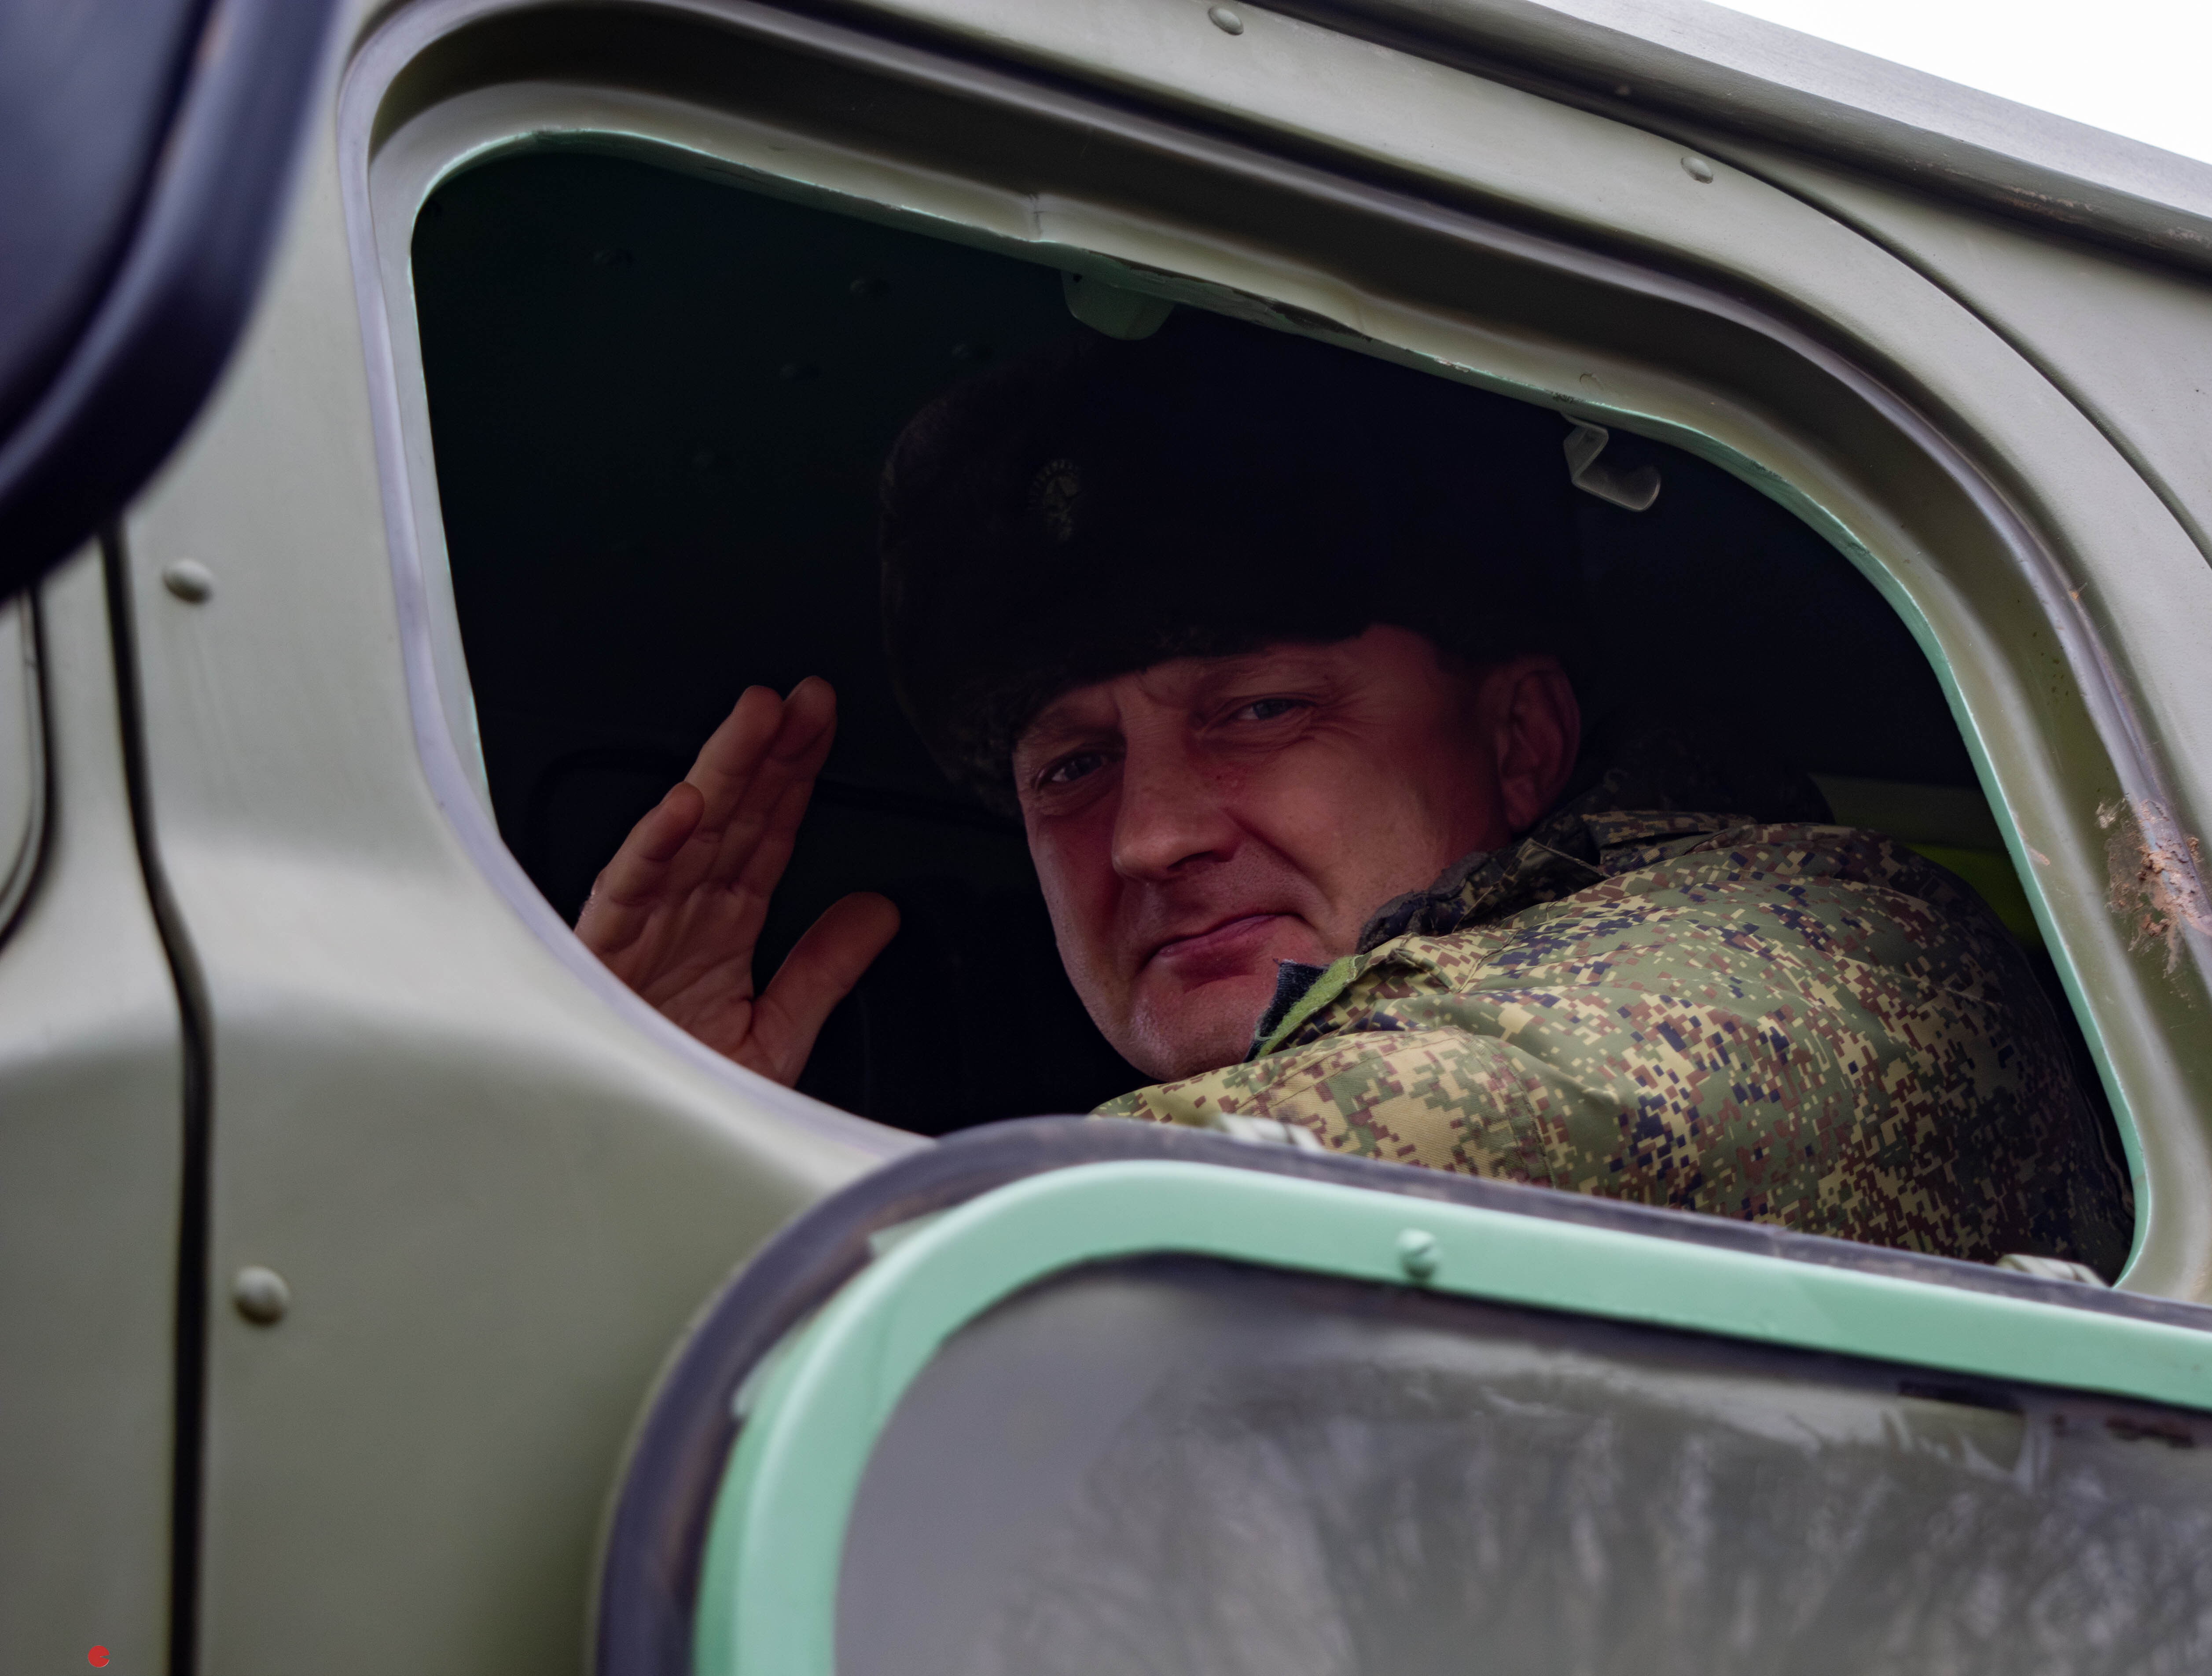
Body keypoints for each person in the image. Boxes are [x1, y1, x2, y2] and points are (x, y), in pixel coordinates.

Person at [576, 317, 2131, 1272]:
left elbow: (1356, 1157)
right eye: (1072, 765)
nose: (1149, 836)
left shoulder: (1817, 952)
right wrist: (639, 1130)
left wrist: (641, 1184)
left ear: (1519, 739)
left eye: (1259, 712)